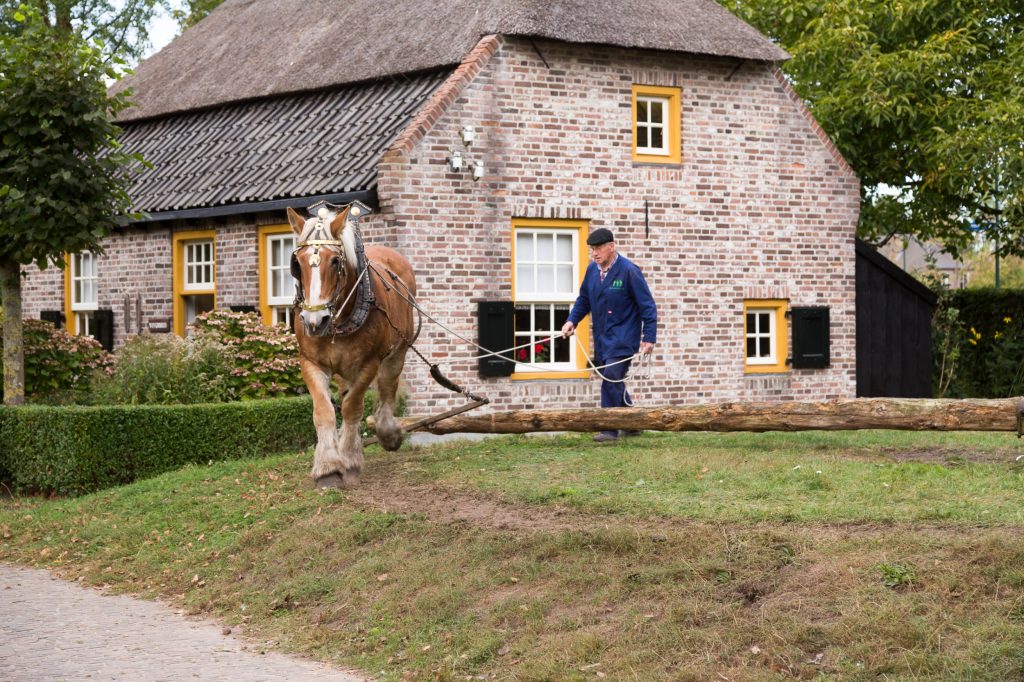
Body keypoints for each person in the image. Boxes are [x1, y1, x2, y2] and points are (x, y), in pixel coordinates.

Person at [561, 228, 657, 443]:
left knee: (611, 376)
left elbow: (648, 306)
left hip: (624, 337)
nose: (594, 253)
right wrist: (571, 321)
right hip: (603, 339)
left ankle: (609, 429)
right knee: (614, 380)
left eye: (598, 248)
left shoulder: (629, 271)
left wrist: (649, 337)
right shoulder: (592, 271)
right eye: (592, 249)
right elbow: (583, 300)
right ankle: (633, 422)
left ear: (611, 247)